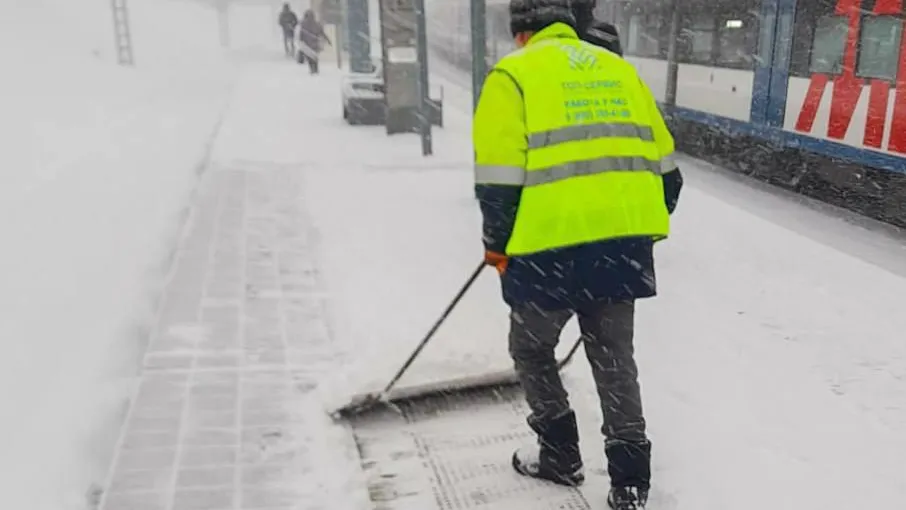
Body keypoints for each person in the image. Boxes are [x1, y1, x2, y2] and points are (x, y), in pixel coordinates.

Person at [472, 0, 683, 508]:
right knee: (614, 361)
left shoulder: (512, 75)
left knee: (532, 349)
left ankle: (560, 455)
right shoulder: (620, 71)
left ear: (522, 32)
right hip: (621, 249)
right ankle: (629, 483)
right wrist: (625, 223)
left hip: (546, 251)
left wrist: (497, 247)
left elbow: (498, 182)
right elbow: (669, 179)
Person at [298, 9, 331, 74]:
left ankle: (312, 69)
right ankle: (315, 68)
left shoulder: (303, 24)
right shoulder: (317, 24)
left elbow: (301, 33)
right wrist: (327, 40)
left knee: (309, 57)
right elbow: (322, 33)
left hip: (307, 43)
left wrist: (301, 40)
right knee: (315, 56)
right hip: (315, 43)